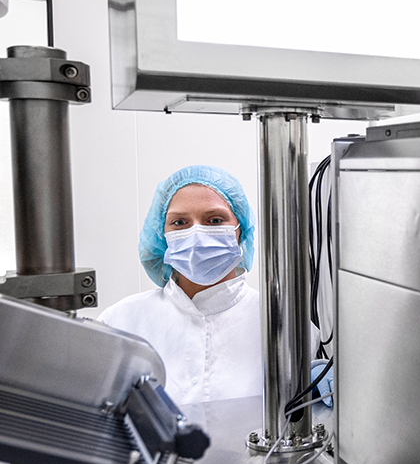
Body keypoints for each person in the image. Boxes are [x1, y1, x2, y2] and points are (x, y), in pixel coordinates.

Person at [99, 165, 328, 407]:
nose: (197, 232)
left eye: (215, 220)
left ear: (241, 231)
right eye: (179, 222)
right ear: (160, 234)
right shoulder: (120, 323)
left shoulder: (286, 323)